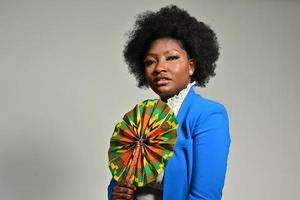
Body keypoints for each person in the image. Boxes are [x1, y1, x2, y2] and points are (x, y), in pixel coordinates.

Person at [108, 5, 231, 200]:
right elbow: (118, 180)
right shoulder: (141, 118)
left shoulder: (208, 115)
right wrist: (116, 193)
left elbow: (205, 197)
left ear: (191, 66)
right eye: (150, 61)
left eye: (172, 58)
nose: (160, 68)